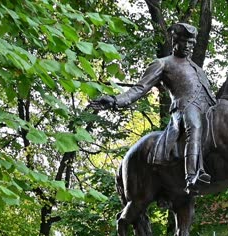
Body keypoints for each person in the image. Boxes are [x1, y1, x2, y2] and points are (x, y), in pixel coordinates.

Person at [90, 22, 216, 195]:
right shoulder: (162, 64)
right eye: (184, 42)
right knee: (194, 126)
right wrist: (115, 100)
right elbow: (140, 88)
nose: (188, 46)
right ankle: (192, 177)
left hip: (208, 108)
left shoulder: (197, 69)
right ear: (175, 41)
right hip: (184, 108)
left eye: (191, 43)